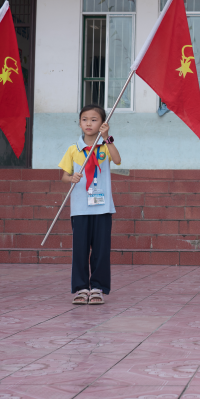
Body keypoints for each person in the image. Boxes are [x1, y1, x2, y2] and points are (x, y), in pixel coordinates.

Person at [58, 104, 121, 305]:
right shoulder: (73, 150)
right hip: (80, 208)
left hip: (102, 208)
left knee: (101, 251)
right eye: (85, 119)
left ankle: (98, 288)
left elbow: (118, 160)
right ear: (79, 123)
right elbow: (64, 176)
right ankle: (81, 288)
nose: (89, 123)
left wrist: (108, 137)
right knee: (80, 250)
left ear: (102, 124)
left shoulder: (105, 146)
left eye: (94, 120)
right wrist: (71, 178)